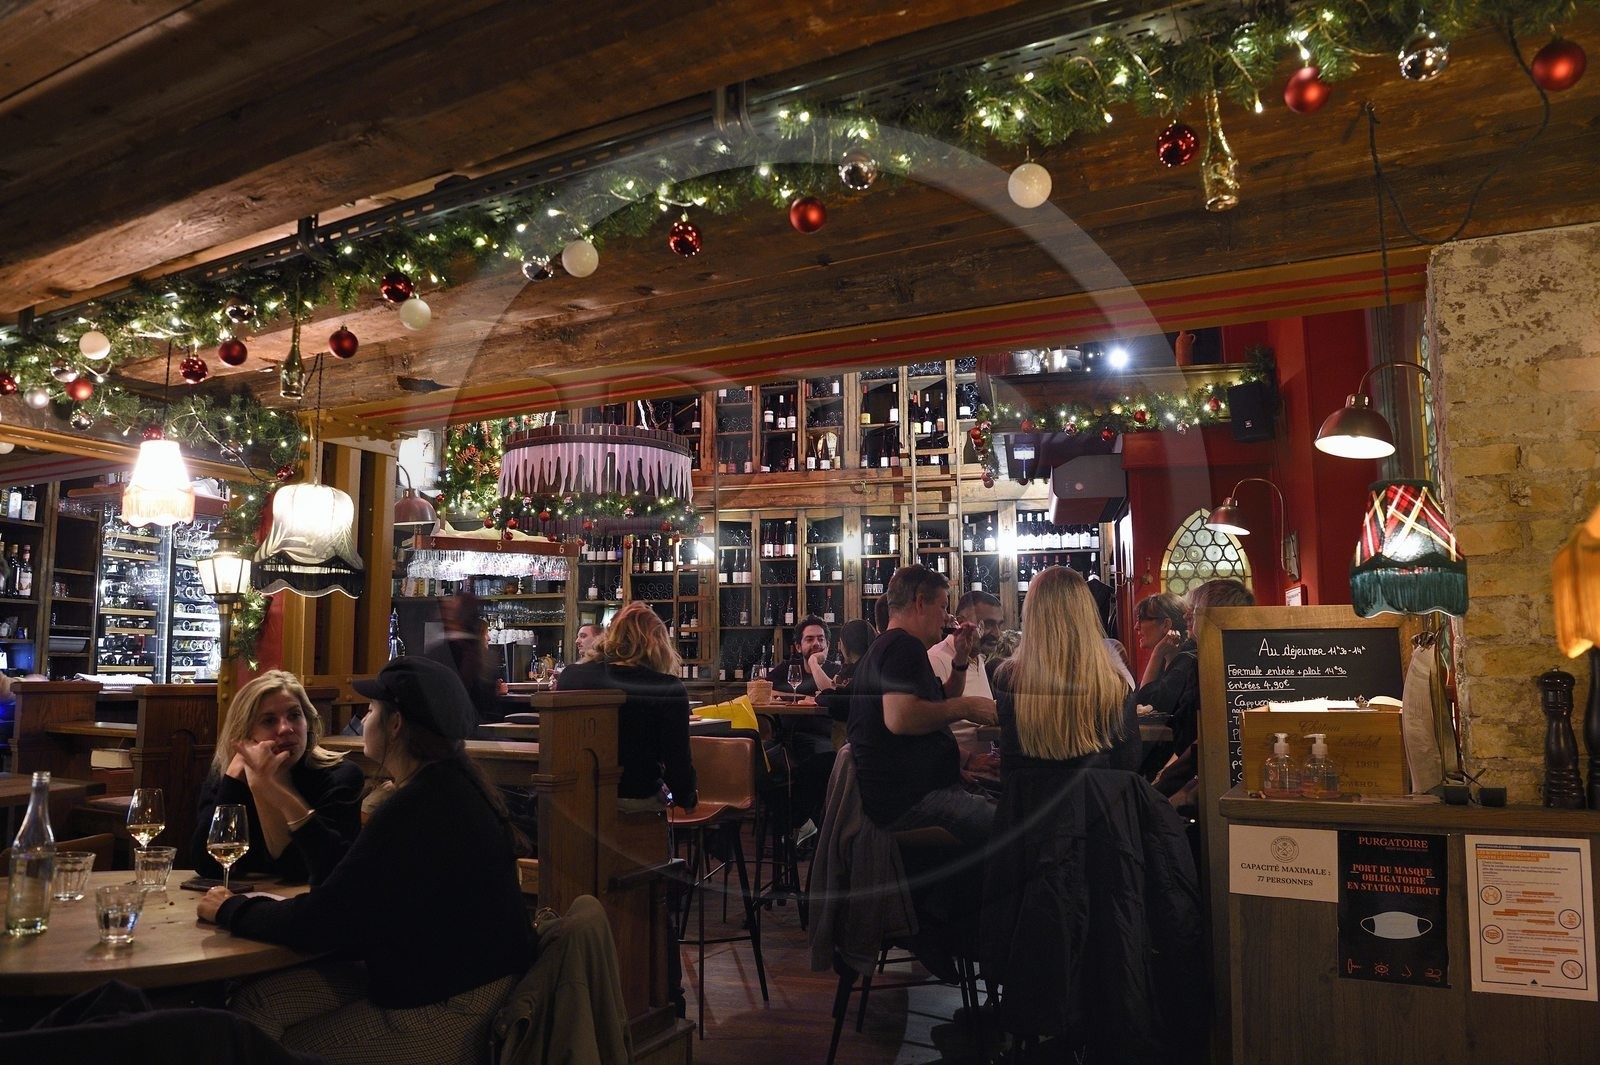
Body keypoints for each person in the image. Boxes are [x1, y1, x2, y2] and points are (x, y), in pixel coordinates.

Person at [197, 657, 534, 1064]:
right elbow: (345, 878)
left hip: (456, 1007)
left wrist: (232, 909)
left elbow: (325, 922)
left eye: (371, 709)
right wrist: (277, 792)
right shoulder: (444, 786)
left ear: (396, 725)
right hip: (429, 975)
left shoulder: (422, 806)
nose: (364, 717)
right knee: (258, 1000)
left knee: (257, 1038)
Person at [849, 564, 997, 847]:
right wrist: (968, 708)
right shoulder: (903, 646)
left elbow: (941, 697)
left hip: (913, 794)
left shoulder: (889, 647)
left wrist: (961, 659)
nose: (946, 618)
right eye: (942, 607)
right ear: (919, 602)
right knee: (1016, 826)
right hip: (911, 803)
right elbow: (900, 718)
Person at [191, 671, 363, 885]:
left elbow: (299, 869)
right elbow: (206, 864)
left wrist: (265, 785)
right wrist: (234, 781)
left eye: (294, 715)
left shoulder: (340, 776)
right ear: (244, 733)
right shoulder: (228, 775)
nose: (286, 728)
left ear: (308, 722)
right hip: (242, 904)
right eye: (269, 720)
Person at [992, 566, 1138, 773]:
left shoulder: (1008, 677)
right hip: (1096, 802)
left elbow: (1010, 761)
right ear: (1086, 615)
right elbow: (1129, 763)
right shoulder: (1114, 685)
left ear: (1031, 616)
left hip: (1027, 802)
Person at [555, 602, 697, 812]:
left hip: (574, 796)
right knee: (662, 801)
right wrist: (687, 799)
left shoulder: (571, 676)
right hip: (634, 796)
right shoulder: (667, 687)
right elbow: (677, 761)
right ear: (658, 643)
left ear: (610, 636)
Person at [1149, 578, 1256, 803]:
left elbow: (1202, 743)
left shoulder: (1206, 666)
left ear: (1216, 615)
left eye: (1194, 611)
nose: (1187, 617)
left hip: (1223, 786)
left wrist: (1163, 789)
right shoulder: (1220, 658)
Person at [927, 590, 1003, 775]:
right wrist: (967, 761)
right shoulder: (936, 659)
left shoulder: (979, 659)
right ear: (961, 622)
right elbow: (927, 733)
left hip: (984, 767)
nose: (997, 634)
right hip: (955, 775)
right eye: (988, 625)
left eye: (999, 625)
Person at [427, 591, 501, 723]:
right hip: (480, 730)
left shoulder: (440, 652)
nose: (445, 609)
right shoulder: (483, 654)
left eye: (450, 607)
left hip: (454, 732)